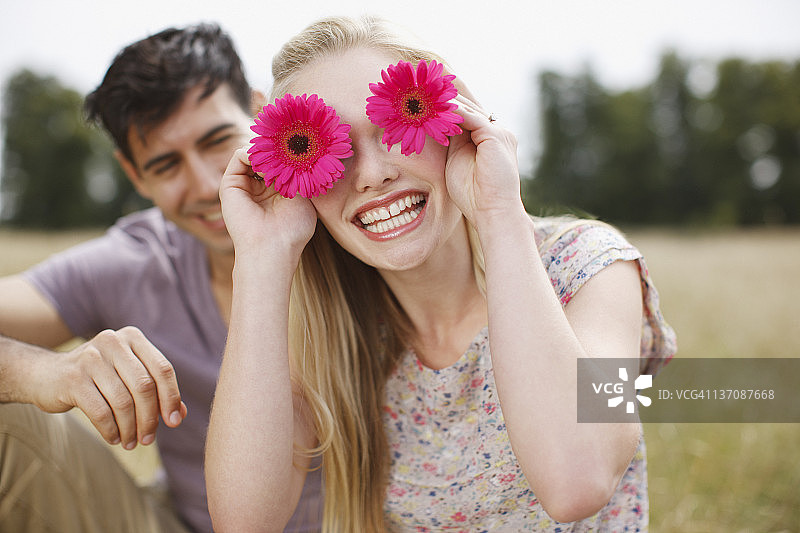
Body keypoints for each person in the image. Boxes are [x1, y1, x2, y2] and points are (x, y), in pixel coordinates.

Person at [205, 14, 677, 533]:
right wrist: (259, 255)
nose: (373, 173)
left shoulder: (588, 268)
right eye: (324, 149)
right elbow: (243, 521)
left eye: (395, 125)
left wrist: (498, 212)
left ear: (454, 122)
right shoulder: (335, 331)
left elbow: (577, 482)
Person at [0, 24, 322, 533]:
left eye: (218, 142)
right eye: (166, 164)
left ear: (262, 112)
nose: (207, 185)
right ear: (133, 174)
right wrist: (43, 374)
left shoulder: (352, 226)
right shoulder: (133, 261)